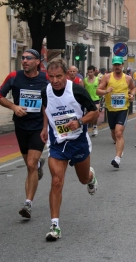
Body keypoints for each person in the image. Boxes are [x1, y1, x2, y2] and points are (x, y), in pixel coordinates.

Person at [40, 58, 99, 241]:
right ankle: (55, 225)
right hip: (58, 142)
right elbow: (46, 108)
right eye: (52, 76)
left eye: (59, 76)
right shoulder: (45, 91)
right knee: (56, 181)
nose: (55, 80)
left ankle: (91, 177)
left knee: (83, 179)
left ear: (66, 74)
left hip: (78, 141)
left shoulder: (76, 90)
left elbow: (94, 111)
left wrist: (80, 121)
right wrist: (44, 128)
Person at [0, 49, 48, 218]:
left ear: (37, 61)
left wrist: (46, 126)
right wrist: (14, 107)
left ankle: (28, 204)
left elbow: (51, 102)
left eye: (28, 58)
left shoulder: (46, 78)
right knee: (30, 164)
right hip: (21, 126)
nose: (24, 61)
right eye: (23, 58)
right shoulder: (14, 77)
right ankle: (39, 165)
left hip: (39, 126)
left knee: (31, 164)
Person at [97, 56, 136, 168]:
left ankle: (117, 158)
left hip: (123, 109)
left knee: (119, 133)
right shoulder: (107, 77)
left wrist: (132, 95)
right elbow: (98, 91)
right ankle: (120, 149)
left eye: (119, 64)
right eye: (115, 65)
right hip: (111, 109)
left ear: (122, 65)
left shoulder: (127, 78)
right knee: (114, 134)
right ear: (112, 66)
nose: (117, 67)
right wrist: (105, 91)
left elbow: (133, 88)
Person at [84, 65, 100, 136]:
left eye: (91, 72)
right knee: (88, 115)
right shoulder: (85, 80)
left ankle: (94, 127)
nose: (90, 74)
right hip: (88, 99)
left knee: (96, 113)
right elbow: (82, 89)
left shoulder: (98, 79)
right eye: (88, 72)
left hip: (96, 99)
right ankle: (86, 129)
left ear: (94, 72)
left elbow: (101, 88)